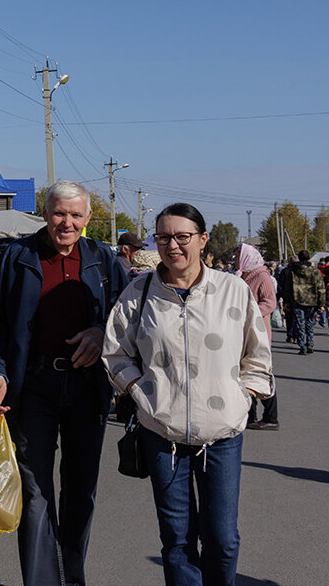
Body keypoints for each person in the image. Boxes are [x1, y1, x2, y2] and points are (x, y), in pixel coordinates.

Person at [103, 204, 273, 586]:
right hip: (161, 435)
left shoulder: (232, 290)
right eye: (164, 237)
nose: (173, 245)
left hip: (222, 436)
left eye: (183, 237)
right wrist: (140, 391)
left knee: (223, 539)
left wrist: (241, 397)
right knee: (177, 541)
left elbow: (257, 355)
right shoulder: (139, 292)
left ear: (202, 240)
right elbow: (115, 352)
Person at [0, 180, 128, 586]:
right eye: (60, 213)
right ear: (45, 214)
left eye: (76, 215)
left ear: (88, 218)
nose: (67, 222)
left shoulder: (103, 259)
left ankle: (73, 576)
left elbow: (128, 317)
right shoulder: (17, 257)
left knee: (81, 490)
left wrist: (100, 330)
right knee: (35, 490)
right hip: (34, 386)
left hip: (86, 389)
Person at [234, 244, 279, 430]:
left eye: (237, 255)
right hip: (241, 331)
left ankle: (270, 417)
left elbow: (270, 303)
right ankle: (250, 416)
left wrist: (249, 312)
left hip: (258, 331)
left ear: (246, 257)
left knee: (261, 372)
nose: (235, 259)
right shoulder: (240, 275)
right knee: (243, 373)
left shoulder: (261, 275)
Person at [278, 250, 325, 354]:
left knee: (300, 323)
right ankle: (310, 343)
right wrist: (321, 303)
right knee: (310, 322)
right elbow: (321, 288)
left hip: (297, 300)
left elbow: (288, 288)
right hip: (312, 300)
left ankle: (302, 345)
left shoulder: (292, 271)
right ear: (309, 258)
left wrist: (287, 301)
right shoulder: (315, 271)